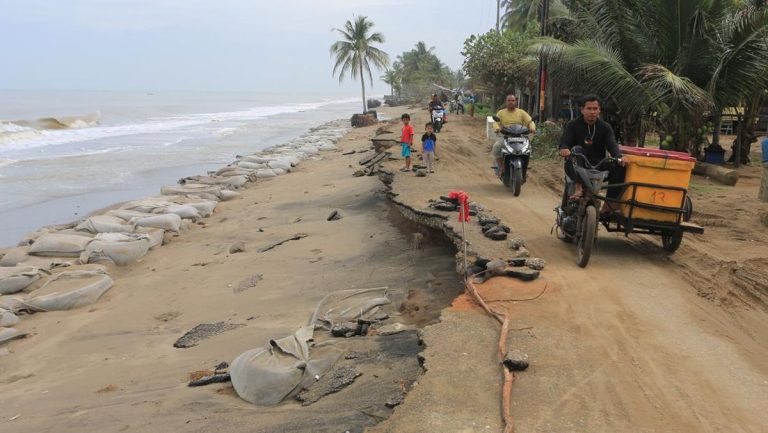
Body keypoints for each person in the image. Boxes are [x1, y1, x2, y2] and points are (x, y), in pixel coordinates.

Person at [558, 95, 627, 212]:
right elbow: (565, 142)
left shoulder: (605, 127)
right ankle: (578, 188)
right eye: (589, 108)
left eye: (595, 109)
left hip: (598, 165)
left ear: (599, 110)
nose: (592, 112)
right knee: (577, 150)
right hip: (575, 164)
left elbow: (612, 145)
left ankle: (610, 205)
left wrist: (619, 157)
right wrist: (564, 149)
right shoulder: (572, 125)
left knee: (621, 166)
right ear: (582, 110)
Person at [492, 94, 536, 176]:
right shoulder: (501, 113)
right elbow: (496, 123)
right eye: (509, 101)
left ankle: (525, 167)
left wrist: (532, 128)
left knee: (528, 148)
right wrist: (497, 128)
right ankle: (501, 167)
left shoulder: (521, 112)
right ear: (506, 102)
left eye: (512, 101)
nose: (511, 102)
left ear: (516, 102)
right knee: (497, 147)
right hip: (506, 136)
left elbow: (530, 121)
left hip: (520, 136)